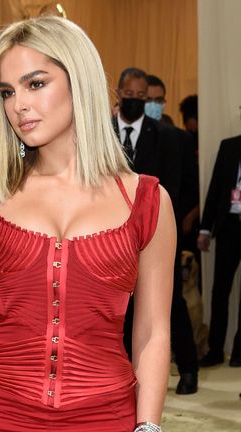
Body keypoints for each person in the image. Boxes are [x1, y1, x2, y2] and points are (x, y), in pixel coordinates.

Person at [0, 17, 174, 431]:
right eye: (7, 91)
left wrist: (148, 426)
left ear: (79, 81)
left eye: (35, 84)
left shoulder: (148, 201)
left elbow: (151, 331)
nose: (17, 104)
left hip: (104, 415)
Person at [114, 67, 200, 394]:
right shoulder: (100, 132)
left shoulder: (170, 137)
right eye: (131, 96)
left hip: (156, 232)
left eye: (142, 97)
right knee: (119, 304)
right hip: (111, 234)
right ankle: (123, 373)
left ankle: (188, 368)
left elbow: (184, 188)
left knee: (168, 301)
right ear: (119, 94)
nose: (136, 102)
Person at [197, 134, 241, 367]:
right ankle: (215, 349)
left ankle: (239, 351)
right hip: (229, 226)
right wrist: (205, 228)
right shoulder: (229, 146)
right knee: (220, 290)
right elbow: (215, 187)